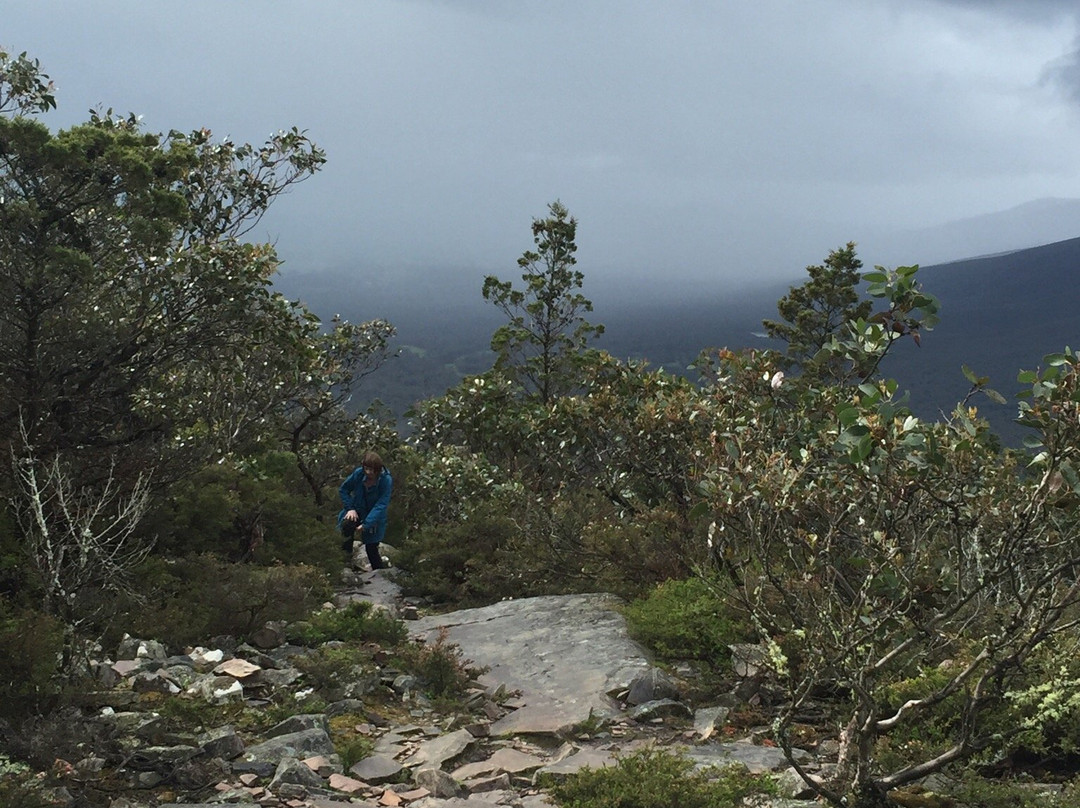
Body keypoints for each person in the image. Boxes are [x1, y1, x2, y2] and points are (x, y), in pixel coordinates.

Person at [338, 451, 393, 570]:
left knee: (371, 547)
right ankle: (345, 564)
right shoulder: (358, 474)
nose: (368, 472)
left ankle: (379, 572)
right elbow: (344, 489)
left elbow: (381, 504)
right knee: (347, 527)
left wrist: (367, 524)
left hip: (374, 516)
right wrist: (350, 509)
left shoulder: (385, 480)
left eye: (371, 470)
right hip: (357, 509)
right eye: (366, 469)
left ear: (377, 469)